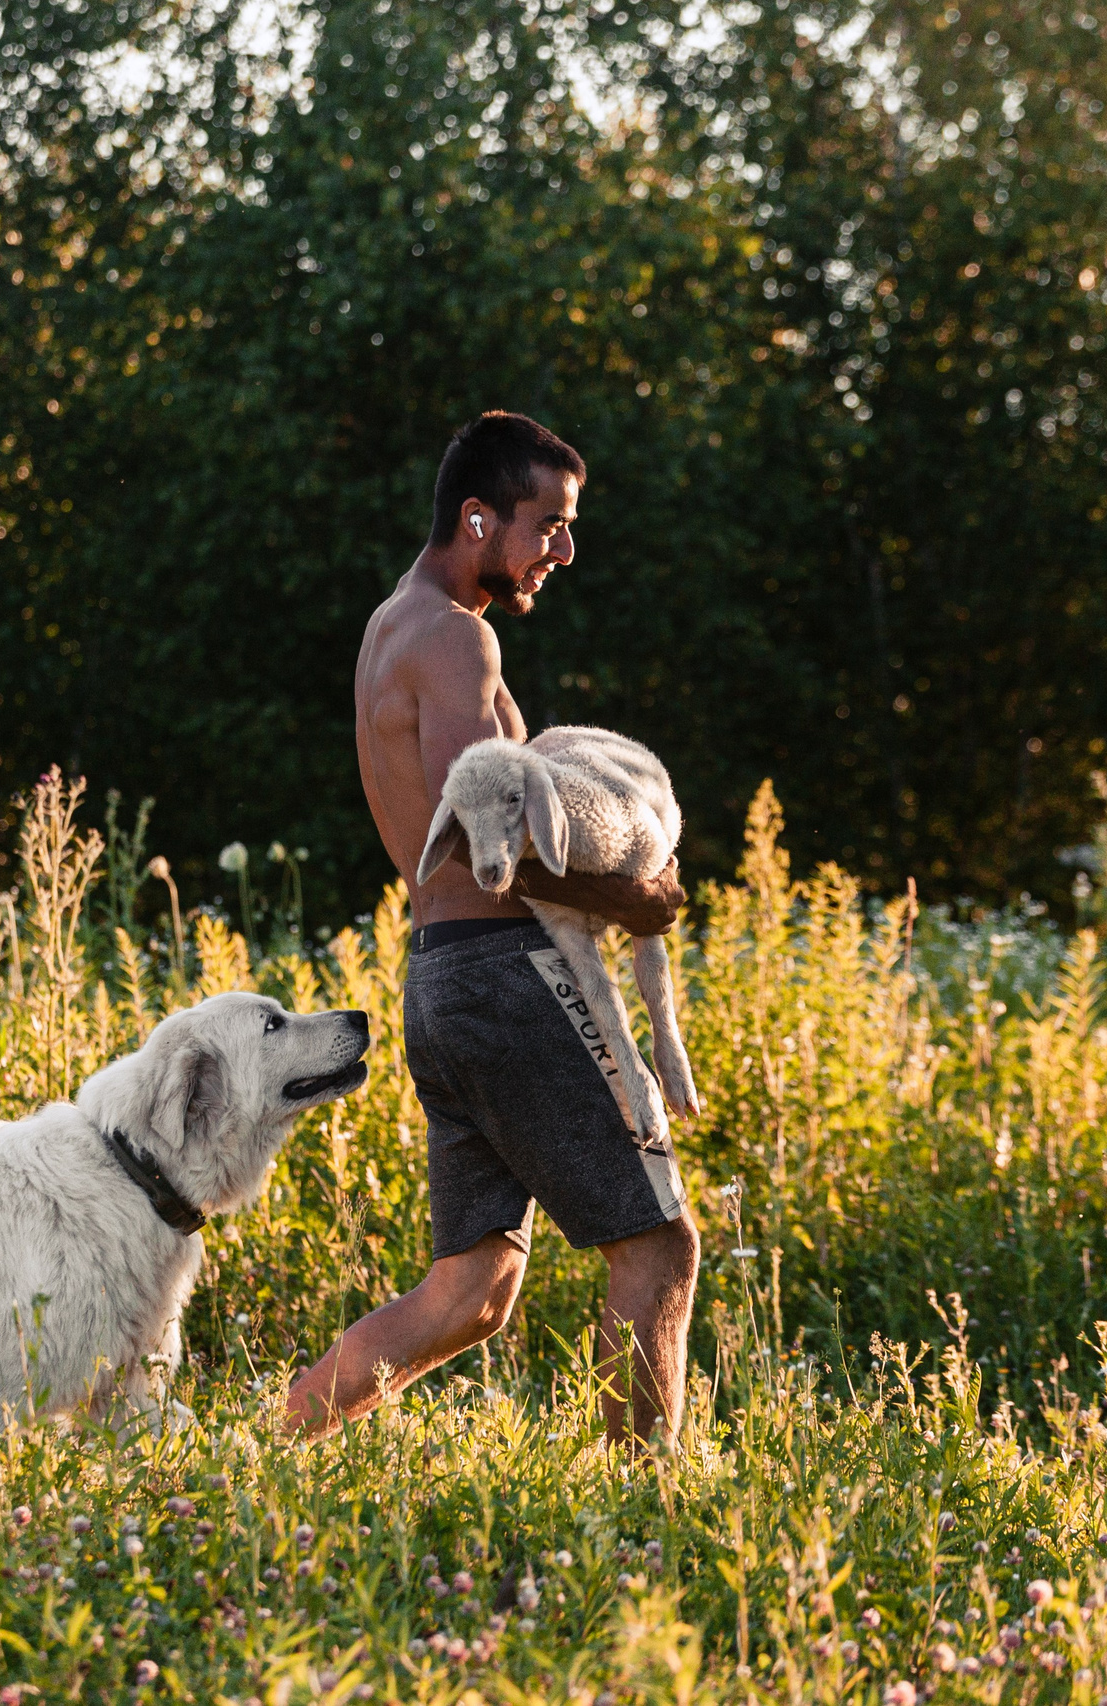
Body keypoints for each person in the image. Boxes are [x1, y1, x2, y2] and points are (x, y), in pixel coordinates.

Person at [283, 411, 699, 1447]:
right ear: (477, 517)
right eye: (547, 524)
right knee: (658, 1249)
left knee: (471, 1290)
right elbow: (485, 828)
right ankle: (637, 1511)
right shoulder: (457, 635)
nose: (563, 549)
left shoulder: (392, 627)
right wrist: (636, 898)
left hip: (442, 978)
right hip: (509, 978)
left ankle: (271, 1444)